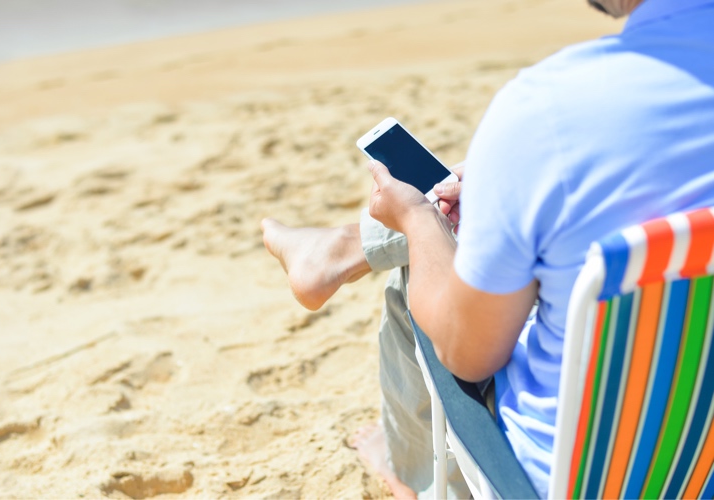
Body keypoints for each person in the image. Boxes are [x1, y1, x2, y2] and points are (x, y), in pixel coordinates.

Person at [261, 0, 714, 497]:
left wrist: (416, 220)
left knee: (425, 262)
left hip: (578, 479)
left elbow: (465, 355)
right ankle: (344, 249)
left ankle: (412, 472)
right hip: (702, 460)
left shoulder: (549, 109)